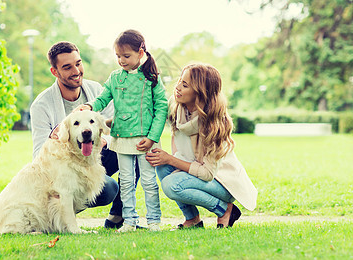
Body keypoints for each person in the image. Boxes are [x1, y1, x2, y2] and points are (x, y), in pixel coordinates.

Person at [30, 41, 137, 229]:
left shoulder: (97, 90)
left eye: (78, 63)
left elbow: (116, 128)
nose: (76, 71)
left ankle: (118, 217)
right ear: (54, 71)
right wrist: (65, 141)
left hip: (98, 153)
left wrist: (103, 140)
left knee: (132, 150)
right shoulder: (41, 105)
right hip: (66, 166)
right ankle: (64, 211)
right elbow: (39, 154)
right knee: (108, 188)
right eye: (67, 67)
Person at [145, 63, 257, 229]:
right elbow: (153, 115)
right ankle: (192, 219)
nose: (177, 88)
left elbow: (207, 173)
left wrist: (170, 159)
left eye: (185, 85)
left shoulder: (214, 124)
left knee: (172, 185)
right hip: (196, 172)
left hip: (222, 182)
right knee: (162, 168)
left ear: (201, 93)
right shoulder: (177, 107)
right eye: (179, 81)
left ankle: (225, 209)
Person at [78, 30, 168, 232]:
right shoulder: (115, 78)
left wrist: (152, 138)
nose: (121, 60)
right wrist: (90, 106)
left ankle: (154, 221)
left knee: (149, 182)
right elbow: (103, 98)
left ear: (140, 52)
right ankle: (129, 221)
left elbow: (161, 108)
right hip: (122, 139)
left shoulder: (152, 78)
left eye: (126, 56)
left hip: (146, 140)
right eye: (118, 56)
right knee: (126, 182)